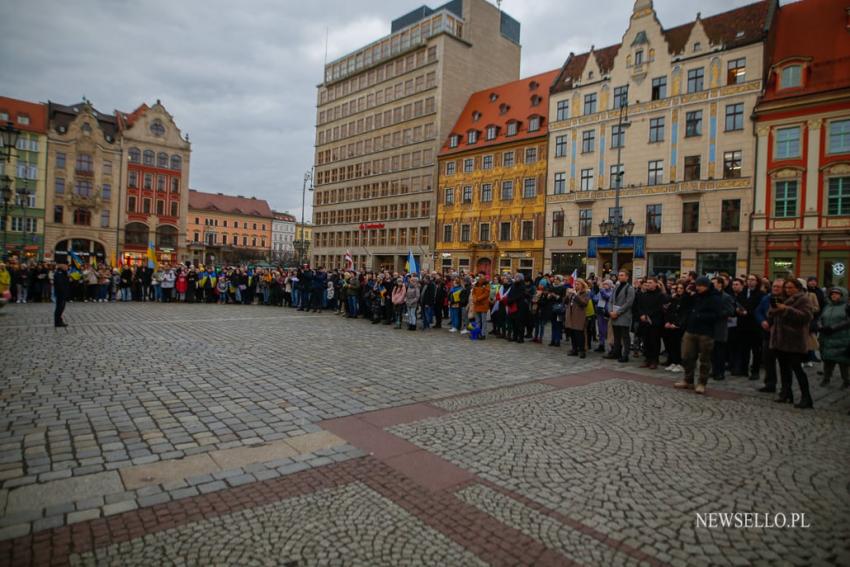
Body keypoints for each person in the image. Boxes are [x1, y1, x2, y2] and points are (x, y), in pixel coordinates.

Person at [769, 278, 814, 408]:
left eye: (790, 288)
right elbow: (772, 314)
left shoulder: (803, 299)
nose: (788, 290)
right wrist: (775, 308)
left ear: (797, 288)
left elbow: (806, 317)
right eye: (786, 288)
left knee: (797, 369)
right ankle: (786, 393)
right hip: (780, 340)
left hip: (794, 340)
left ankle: (806, 397)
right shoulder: (782, 298)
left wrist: (786, 309)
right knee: (783, 369)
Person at [675, 276, 722, 394]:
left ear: (706, 286)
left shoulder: (715, 298)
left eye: (700, 286)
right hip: (690, 330)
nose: (697, 288)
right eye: (696, 285)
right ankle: (688, 380)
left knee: (704, 359)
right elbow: (684, 305)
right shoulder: (695, 296)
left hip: (705, 332)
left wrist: (700, 316)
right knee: (686, 356)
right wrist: (687, 293)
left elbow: (717, 315)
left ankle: (702, 383)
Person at [755, 279, 784, 393]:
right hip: (767, 333)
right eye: (774, 286)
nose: (775, 289)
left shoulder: (787, 299)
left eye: (778, 287)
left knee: (783, 362)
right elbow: (758, 311)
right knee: (768, 360)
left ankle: (785, 388)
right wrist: (762, 321)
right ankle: (770, 384)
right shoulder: (767, 298)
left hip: (782, 334)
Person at [817, 287, 850, 388]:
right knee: (828, 360)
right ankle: (826, 378)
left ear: (842, 295)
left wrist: (833, 328)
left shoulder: (846, 306)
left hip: (842, 338)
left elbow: (848, 321)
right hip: (827, 337)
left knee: (843, 361)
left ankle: (846, 380)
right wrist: (820, 327)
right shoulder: (828, 306)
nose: (834, 295)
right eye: (832, 294)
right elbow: (821, 318)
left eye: (837, 294)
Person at [635, 276, 665, 369]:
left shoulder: (660, 295)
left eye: (651, 282)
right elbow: (639, 306)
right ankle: (647, 359)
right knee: (646, 341)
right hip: (644, 322)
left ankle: (654, 360)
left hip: (655, 322)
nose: (648, 284)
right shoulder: (643, 295)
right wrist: (641, 315)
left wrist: (648, 315)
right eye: (647, 282)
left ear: (656, 284)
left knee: (654, 341)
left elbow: (659, 308)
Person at [607, 271, 635, 363]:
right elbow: (611, 300)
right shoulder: (616, 287)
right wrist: (610, 311)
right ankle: (616, 352)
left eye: (622, 275)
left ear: (627, 277)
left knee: (625, 336)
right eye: (619, 275)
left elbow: (629, 303)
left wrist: (617, 312)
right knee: (616, 336)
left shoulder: (630, 288)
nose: (620, 277)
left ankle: (625, 355)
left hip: (624, 316)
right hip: (614, 315)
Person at [565, 278, 590, 358]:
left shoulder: (585, 293)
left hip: (579, 316)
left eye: (578, 284)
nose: (576, 286)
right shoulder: (572, 293)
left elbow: (583, 303)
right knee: (572, 333)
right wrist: (567, 294)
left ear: (582, 285)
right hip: (571, 315)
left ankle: (582, 350)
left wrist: (576, 294)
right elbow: (565, 302)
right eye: (575, 284)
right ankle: (574, 349)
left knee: (579, 334)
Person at [53, 262, 70, 328]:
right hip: (61, 293)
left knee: (61, 308)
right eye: (66, 265)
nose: (67, 267)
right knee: (59, 308)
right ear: (61, 266)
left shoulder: (63, 273)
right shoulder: (59, 273)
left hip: (63, 293)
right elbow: (60, 284)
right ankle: (58, 322)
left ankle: (59, 321)